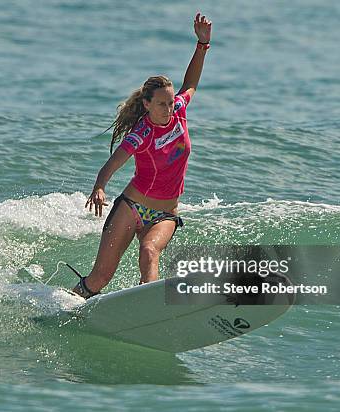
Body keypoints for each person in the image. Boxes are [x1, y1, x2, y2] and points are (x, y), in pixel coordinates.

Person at [72, 13, 213, 299]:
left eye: (170, 103)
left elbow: (190, 84)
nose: (168, 109)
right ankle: (66, 305)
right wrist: (99, 186)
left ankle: (150, 310)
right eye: (161, 104)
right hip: (132, 207)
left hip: (165, 213)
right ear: (147, 104)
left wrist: (202, 44)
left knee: (150, 252)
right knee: (100, 278)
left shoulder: (180, 113)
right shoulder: (141, 133)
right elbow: (113, 163)